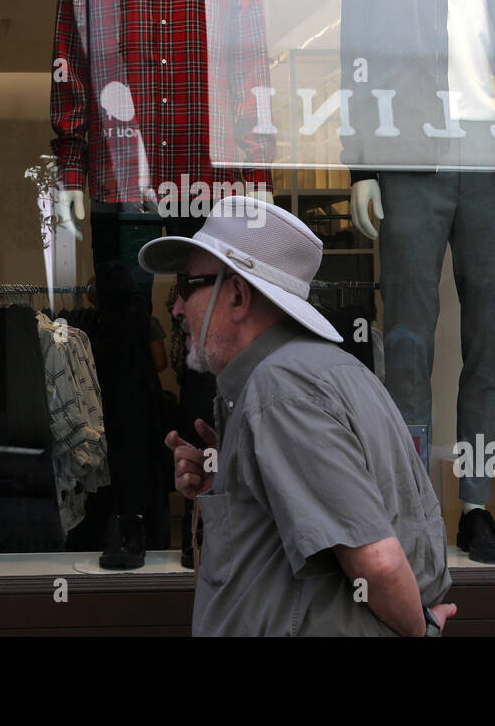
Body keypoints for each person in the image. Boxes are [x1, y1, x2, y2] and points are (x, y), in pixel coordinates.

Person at [139, 196, 455, 636]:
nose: (175, 308)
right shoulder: (324, 371)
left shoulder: (283, 391)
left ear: (236, 295)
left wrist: (423, 634)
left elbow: (378, 564)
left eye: (186, 285)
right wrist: (230, 482)